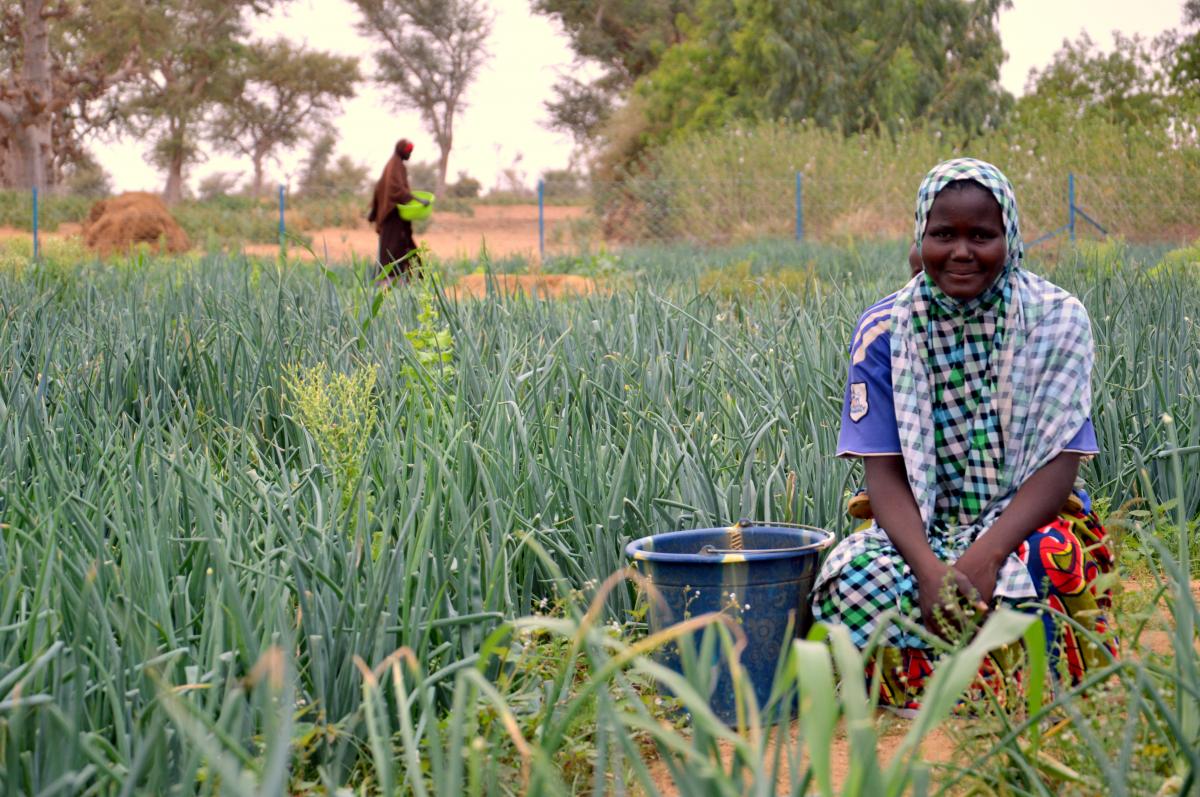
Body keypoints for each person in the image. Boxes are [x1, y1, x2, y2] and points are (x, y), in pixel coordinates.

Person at [812, 158, 1117, 715]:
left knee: (1047, 562)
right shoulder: (885, 329)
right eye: (943, 234)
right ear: (919, 237)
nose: (961, 251)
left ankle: (1030, 689)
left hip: (1026, 519)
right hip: (921, 526)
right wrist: (930, 571)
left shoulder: (1055, 320)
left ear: (1011, 239)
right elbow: (883, 472)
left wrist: (984, 554)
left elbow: (1060, 463)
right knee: (851, 576)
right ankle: (936, 695)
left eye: (982, 235)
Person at [368, 138, 428, 283]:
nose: (410, 155)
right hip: (393, 215)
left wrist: (375, 210)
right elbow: (396, 189)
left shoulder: (394, 164)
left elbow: (379, 187)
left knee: (397, 246)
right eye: (408, 152)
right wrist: (419, 200)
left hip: (394, 215)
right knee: (394, 248)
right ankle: (392, 281)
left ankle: (409, 280)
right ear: (401, 151)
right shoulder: (396, 166)